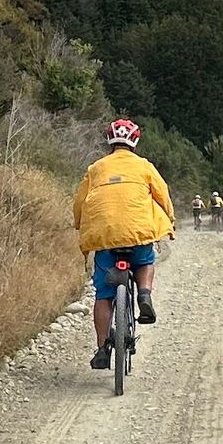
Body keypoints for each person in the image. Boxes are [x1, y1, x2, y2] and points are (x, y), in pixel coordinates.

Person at [73, 118, 175, 371]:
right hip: (137, 232)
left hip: (105, 237)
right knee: (146, 260)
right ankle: (144, 294)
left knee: (103, 294)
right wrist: (170, 219)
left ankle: (102, 349)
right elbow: (162, 195)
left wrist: (78, 223)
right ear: (135, 142)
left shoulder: (96, 168)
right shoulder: (144, 166)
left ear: (110, 141)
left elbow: (79, 202)